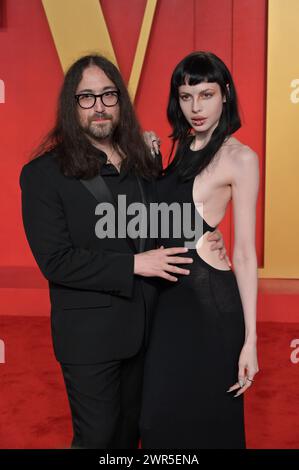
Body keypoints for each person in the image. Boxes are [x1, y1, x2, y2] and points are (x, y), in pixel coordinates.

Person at [20, 54, 226, 449]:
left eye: (108, 95)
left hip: (148, 330)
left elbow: (156, 225)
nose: (99, 105)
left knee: (134, 435)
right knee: (98, 438)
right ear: (71, 104)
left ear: (120, 101)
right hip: (89, 338)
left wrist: (201, 237)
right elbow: (56, 261)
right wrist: (134, 264)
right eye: (86, 97)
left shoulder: (142, 160)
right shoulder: (42, 175)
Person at [140, 51, 260, 449]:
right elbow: (160, 218)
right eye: (187, 96)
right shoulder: (182, 145)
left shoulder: (240, 158)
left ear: (225, 94)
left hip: (208, 302)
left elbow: (244, 252)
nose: (196, 107)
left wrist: (251, 340)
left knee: (207, 421)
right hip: (169, 300)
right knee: (158, 419)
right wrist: (149, 158)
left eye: (206, 95)